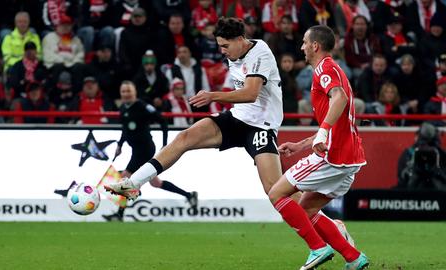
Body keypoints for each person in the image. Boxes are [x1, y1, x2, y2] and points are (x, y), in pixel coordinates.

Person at [104, 18, 354, 269]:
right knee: (184, 138)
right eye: (220, 46)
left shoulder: (261, 52)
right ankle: (133, 184)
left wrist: (212, 95)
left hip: (261, 126)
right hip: (237, 119)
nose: (222, 51)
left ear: (239, 40)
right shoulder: (233, 54)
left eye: (225, 46)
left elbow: (250, 93)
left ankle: (333, 228)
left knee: (276, 192)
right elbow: (241, 97)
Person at [269, 25, 369, 270]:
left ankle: (317, 248)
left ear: (315, 45)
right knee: (306, 209)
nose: (301, 47)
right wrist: (302, 144)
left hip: (333, 157)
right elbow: (337, 120)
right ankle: (354, 258)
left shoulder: (325, 67)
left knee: (276, 194)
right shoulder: (335, 70)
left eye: (305, 42)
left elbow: (340, 98)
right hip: (350, 158)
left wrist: (322, 131)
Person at [102, 81, 198, 222]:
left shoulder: (142, 106)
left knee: (125, 178)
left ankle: (120, 214)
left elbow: (163, 121)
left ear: (134, 92)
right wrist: (120, 145)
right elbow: (126, 129)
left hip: (145, 149)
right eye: (123, 91)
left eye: (129, 91)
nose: (126, 94)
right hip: (136, 150)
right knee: (155, 183)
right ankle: (189, 195)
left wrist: (165, 144)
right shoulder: (123, 108)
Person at [397, 122, 446, 191]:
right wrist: (412, 170)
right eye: (423, 145)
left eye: (429, 145)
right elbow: (402, 180)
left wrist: (436, 171)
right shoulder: (409, 153)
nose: (426, 150)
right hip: (414, 191)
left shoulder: (440, 154)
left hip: (438, 194)